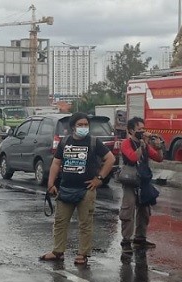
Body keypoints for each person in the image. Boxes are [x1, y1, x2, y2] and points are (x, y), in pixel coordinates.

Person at [40, 112, 116, 266]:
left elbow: (110, 159)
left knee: (85, 223)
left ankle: (83, 254)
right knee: (60, 222)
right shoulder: (65, 142)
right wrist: (50, 183)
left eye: (86, 125)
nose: (83, 127)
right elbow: (56, 163)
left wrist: (99, 179)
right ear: (73, 127)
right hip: (65, 189)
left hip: (86, 190)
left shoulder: (94, 142)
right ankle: (57, 251)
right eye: (80, 125)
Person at [119, 117, 164, 253]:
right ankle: (126, 241)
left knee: (144, 210)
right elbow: (132, 158)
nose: (142, 132)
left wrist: (158, 145)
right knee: (129, 209)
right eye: (139, 129)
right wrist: (141, 145)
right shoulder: (126, 143)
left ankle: (140, 238)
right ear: (131, 130)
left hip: (143, 180)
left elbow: (158, 158)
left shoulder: (144, 144)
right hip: (130, 180)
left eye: (143, 129)